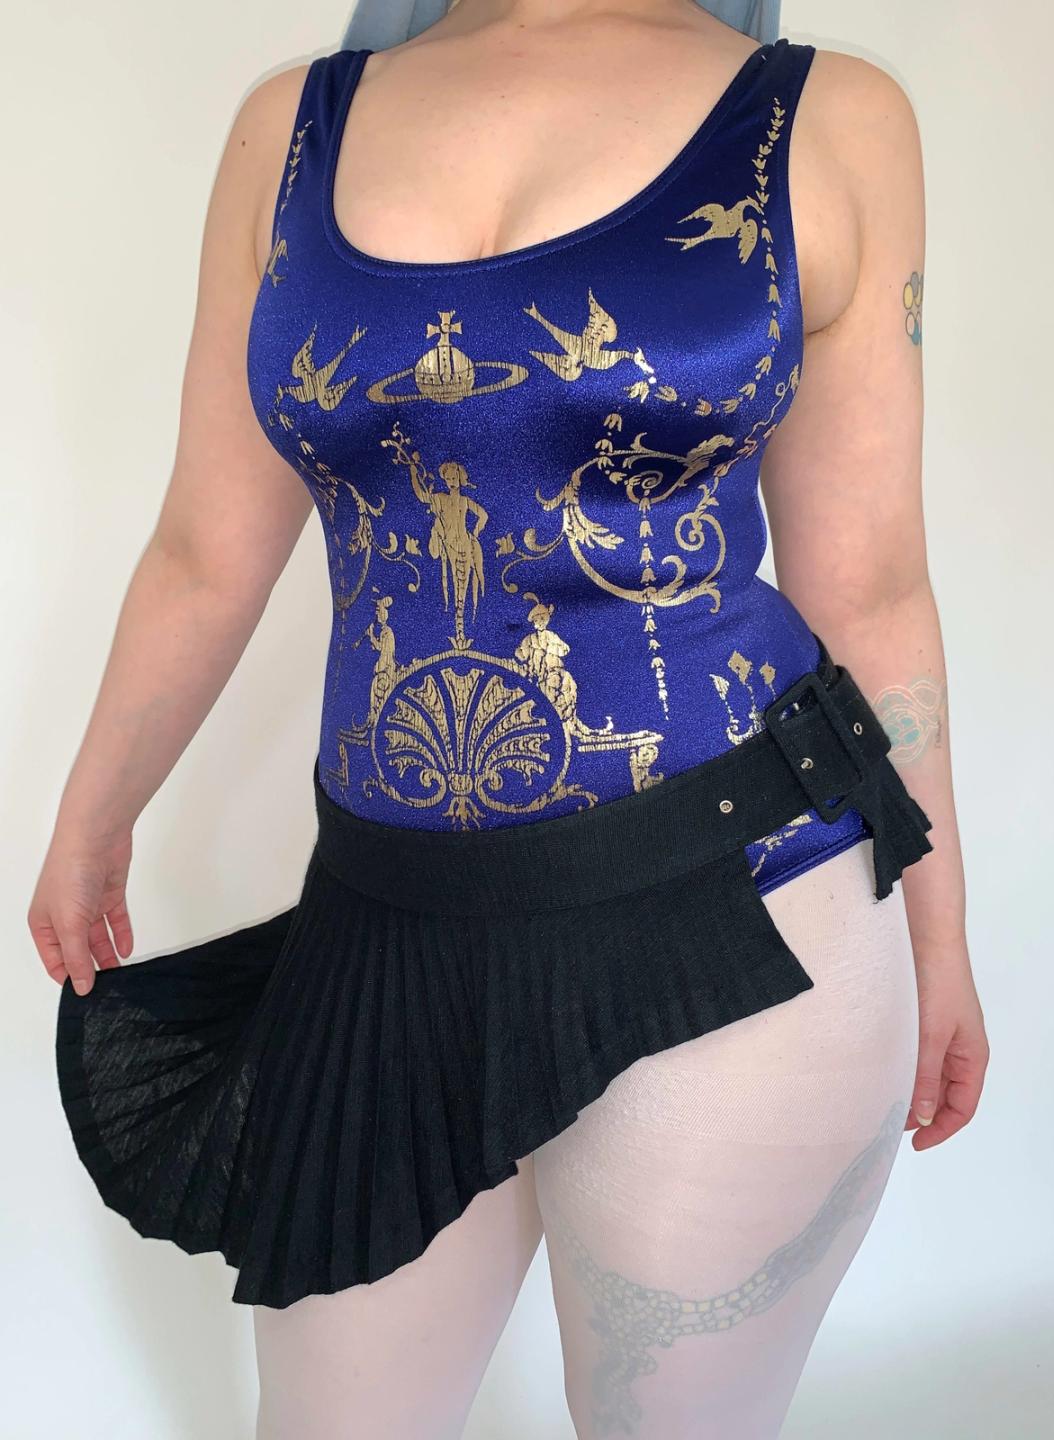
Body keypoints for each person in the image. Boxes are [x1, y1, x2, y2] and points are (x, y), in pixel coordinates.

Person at [29, 2, 988, 1436]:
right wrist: (92, 816)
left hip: (745, 910)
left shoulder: (825, 118)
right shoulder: (290, 131)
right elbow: (205, 549)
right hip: (385, 924)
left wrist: (939, 942)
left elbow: (872, 585)